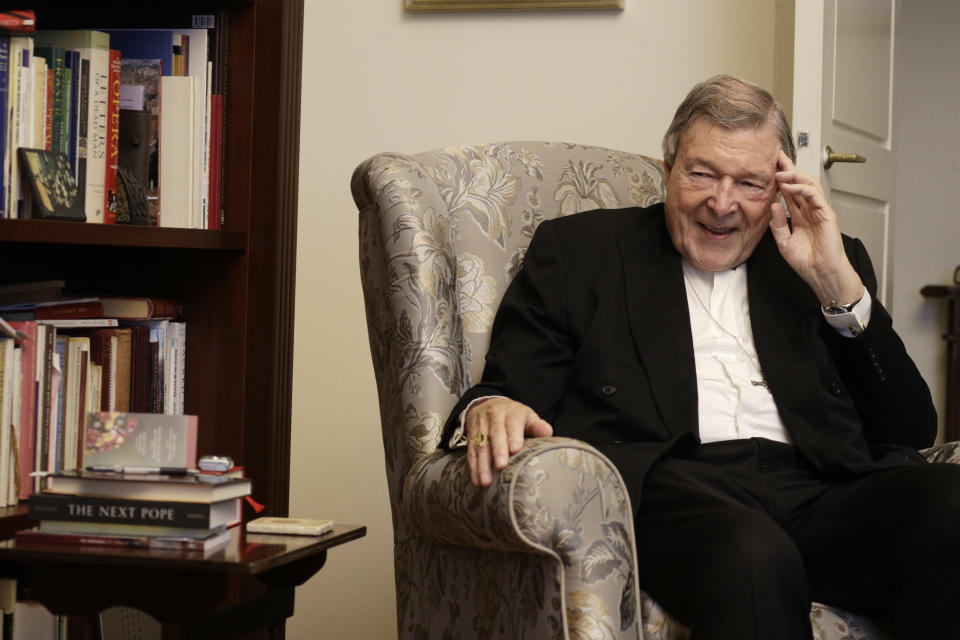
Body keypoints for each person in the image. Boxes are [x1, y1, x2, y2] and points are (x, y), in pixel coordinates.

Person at [440, 75, 960, 639]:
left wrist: (837, 285)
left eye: (750, 182)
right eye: (702, 173)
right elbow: (513, 384)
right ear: (668, 169)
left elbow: (909, 430)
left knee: (951, 501)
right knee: (754, 553)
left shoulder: (827, 262)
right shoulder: (581, 252)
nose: (722, 202)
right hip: (678, 491)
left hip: (817, 489)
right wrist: (492, 406)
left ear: (780, 188)